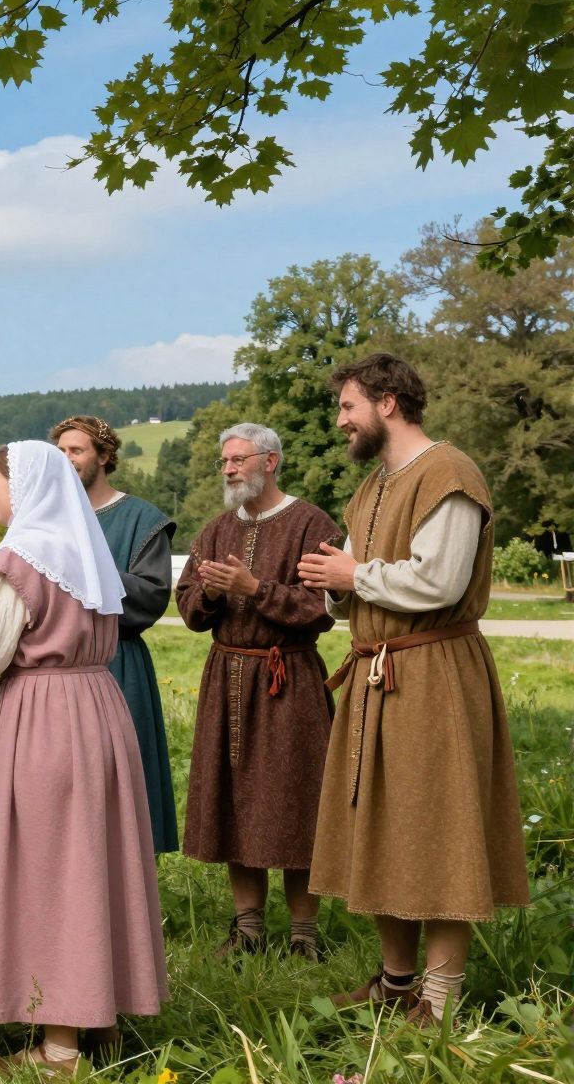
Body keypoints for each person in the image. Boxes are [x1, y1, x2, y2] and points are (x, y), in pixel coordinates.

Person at [297, 353, 529, 1027]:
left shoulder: (448, 475)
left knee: (440, 825)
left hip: (434, 676)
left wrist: (353, 574)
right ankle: (397, 987)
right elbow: (360, 580)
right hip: (375, 674)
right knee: (381, 827)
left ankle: (440, 1000)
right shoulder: (370, 488)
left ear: (387, 402)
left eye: (347, 406)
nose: (340, 420)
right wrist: (332, 585)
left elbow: (440, 582)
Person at [0, 441, 168, 1079]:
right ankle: (99, 1020)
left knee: (52, 872)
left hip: (44, 719)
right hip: (98, 705)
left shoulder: (21, 556)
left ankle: (60, 1049)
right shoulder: (84, 550)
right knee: (93, 862)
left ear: (28, 486)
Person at [176, 423, 341, 959]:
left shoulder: (311, 523)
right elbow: (188, 608)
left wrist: (255, 589)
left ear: (270, 462)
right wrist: (212, 593)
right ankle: (247, 930)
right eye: (224, 461)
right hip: (226, 678)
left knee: (296, 801)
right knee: (233, 800)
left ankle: (304, 936)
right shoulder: (217, 528)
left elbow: (322, 610)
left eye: (238, 460)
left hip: (287, 680)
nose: (228, 469)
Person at [50, 415, 179, 854]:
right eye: (61, 452)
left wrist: (85, 576)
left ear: (105, 457)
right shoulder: (49, 522)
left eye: (77, 451)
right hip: (57, 670)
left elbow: (151, 596)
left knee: (122, 782)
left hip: (118, 662)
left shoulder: (142, 519)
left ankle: (131, 901)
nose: (67, 460)